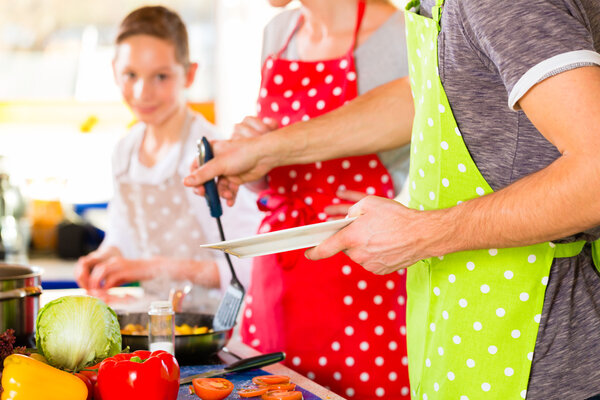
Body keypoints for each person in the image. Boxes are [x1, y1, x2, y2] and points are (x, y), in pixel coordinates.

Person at [185, 0, 600, 398]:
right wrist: (269, 149)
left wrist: (422, 232)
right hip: (453, 323)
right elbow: (424, 92)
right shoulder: (435, 7)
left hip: (537, 349)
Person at [227, 0, 411, 398]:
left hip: (362, 270)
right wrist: (253, 162)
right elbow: (276, 176)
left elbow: (436, 162)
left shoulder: (403, 34)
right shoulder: (278, 33)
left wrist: (405, 201)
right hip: (280, 268)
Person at [75, 6, 259, 310]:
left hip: (221, 331)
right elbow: (125, 237)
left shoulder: (211, 154)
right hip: (160, 328)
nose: (142, 92)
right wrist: (106, 258)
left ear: (189, 74)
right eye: (130, 74)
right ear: (113, 72)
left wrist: (150, 267)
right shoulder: (125, 152)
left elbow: (250, 264)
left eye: (161, 76)